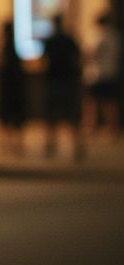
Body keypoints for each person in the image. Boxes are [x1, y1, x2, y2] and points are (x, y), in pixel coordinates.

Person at [42, 13, 84, 160]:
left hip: (55, 80)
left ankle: (51, 145)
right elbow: (78, 57)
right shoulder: (68, 39)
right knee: (71, 115)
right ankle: (77, 146)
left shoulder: (51, 41)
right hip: (66, 80)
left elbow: (44, 60)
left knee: (53, 115)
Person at [82, 11, 121, 133]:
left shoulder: (96, 36)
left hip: (96, 74)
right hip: (111, 72)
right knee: (110, 102)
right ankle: (112, 127)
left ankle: (90, 126)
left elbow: (89, 54)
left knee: (91, 102)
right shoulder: (115, 36)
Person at [0, 20, 27, 156]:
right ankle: (16, 144)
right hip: (15, 88)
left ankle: (6, 144)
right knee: (15, 117)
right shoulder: (14, 48)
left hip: (7, 88)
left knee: (7, 116)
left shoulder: (5, 49)